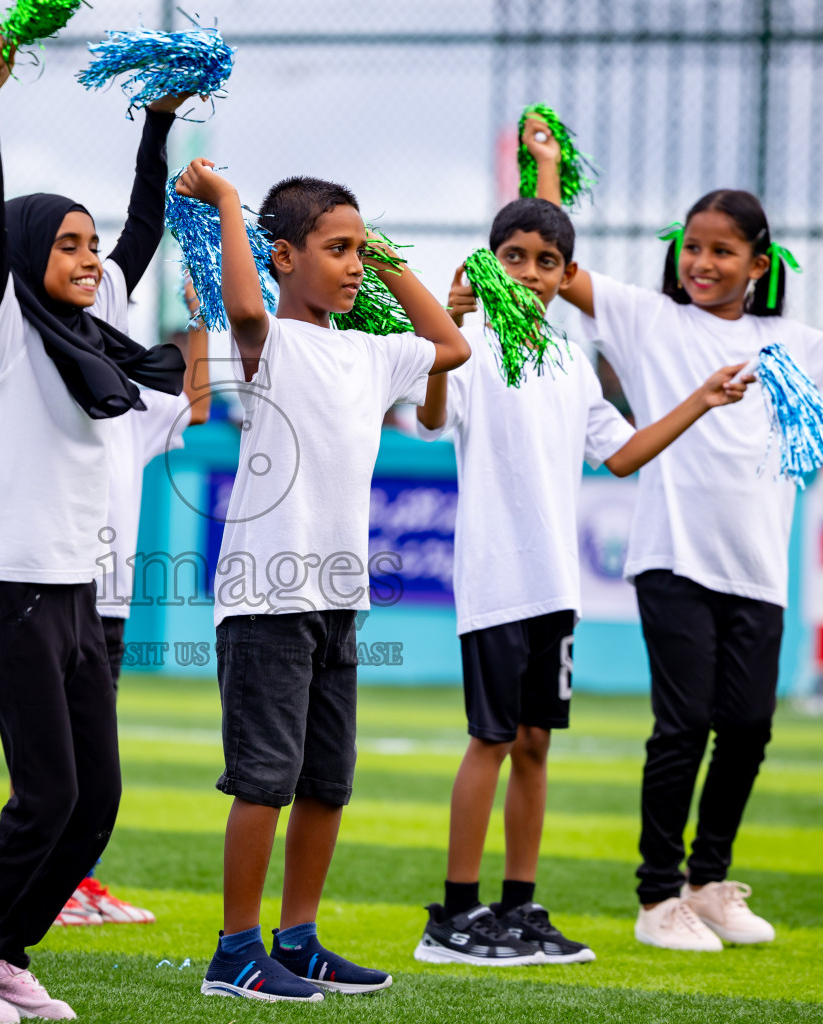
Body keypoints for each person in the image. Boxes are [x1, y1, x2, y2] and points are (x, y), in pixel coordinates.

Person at [410, 120, 752, 968]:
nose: (531, 272)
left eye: (548, 261)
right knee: (489, 741)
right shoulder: (471, 347)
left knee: (534, 745)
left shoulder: (570, 359)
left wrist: (700, 401)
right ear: (490, 264)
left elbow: (626, 453)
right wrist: (442, 345)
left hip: (554, 587)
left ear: (568, 277)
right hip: (495, 583)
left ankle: (518, 909)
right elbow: (427, 418)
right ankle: (453, 918)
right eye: (514, 256)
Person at [0, 35, 186, 1023]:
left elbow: (142, 226)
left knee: (92, 803)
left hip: (82, 591)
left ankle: (8, 949)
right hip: (18, 583)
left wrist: (157, 121)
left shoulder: (95, 336)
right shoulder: (5, 330)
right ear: (26, 255)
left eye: (91, 245)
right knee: (47, 795)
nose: (91, 256)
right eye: (67, 242)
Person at [557, 187, 823, 951]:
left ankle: (707, 884)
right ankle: (656, 901)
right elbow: (560, 265)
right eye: (693, 247)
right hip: (672, 559)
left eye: (722, 251)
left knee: (747, 727)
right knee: (682, 726)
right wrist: (545, 171)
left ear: (757, 262)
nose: (702, 263)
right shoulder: (650, 320)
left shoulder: (794, 341)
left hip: (758, 573)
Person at [173, 158, 471, 1001]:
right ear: (282, 257)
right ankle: (234, 952)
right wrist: (230, 201)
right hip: (268, 602)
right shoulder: (269, 338)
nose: (349, 265)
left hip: (338, 601)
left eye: (356, 249)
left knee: (327, 785)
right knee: (264, 783)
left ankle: (297, 939)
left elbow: (451, 345)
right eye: (334, 249)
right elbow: (237, 305)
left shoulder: (371, 354)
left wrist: (383, 258)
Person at [61, 275, 210, 929]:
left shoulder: (135, 410)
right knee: (54, 750)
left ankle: (75, 879)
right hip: (59, 588)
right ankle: (50, 882)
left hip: (111, 604)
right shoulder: (51, 391)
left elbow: (197, 405)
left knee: (91, 753)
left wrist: (202, 315)